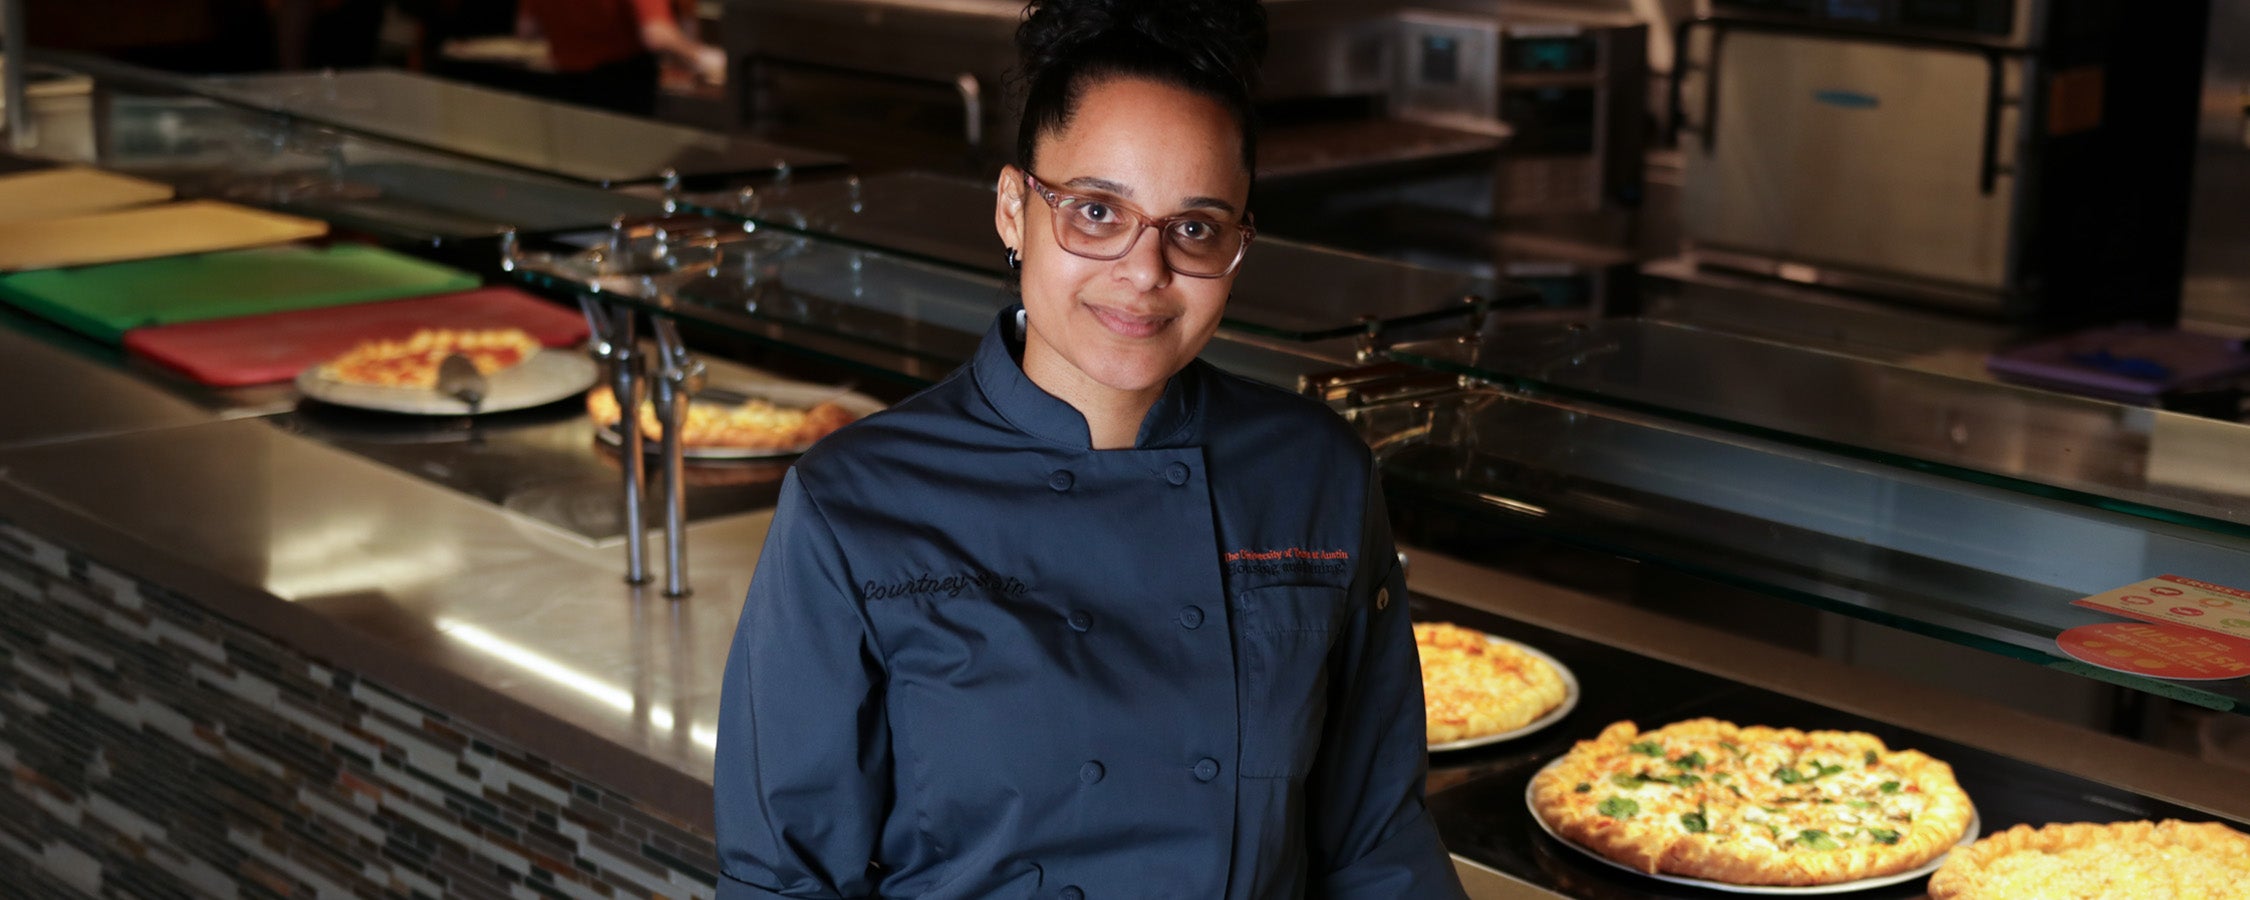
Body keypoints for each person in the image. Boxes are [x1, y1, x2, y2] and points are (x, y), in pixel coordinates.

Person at [711, 0, 1471, 896]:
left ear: (1239, 245)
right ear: (1012, 210)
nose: (1145, 273)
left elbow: (1378, 846)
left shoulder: (1315, 474)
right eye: (1096, 211)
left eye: (1194, 228)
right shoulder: (854, 502)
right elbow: (783, 879)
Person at [514, 0, 724, 116]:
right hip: (622, 89)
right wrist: (703, 57)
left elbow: (527, 30)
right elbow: (656, 35)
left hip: (568, 85)